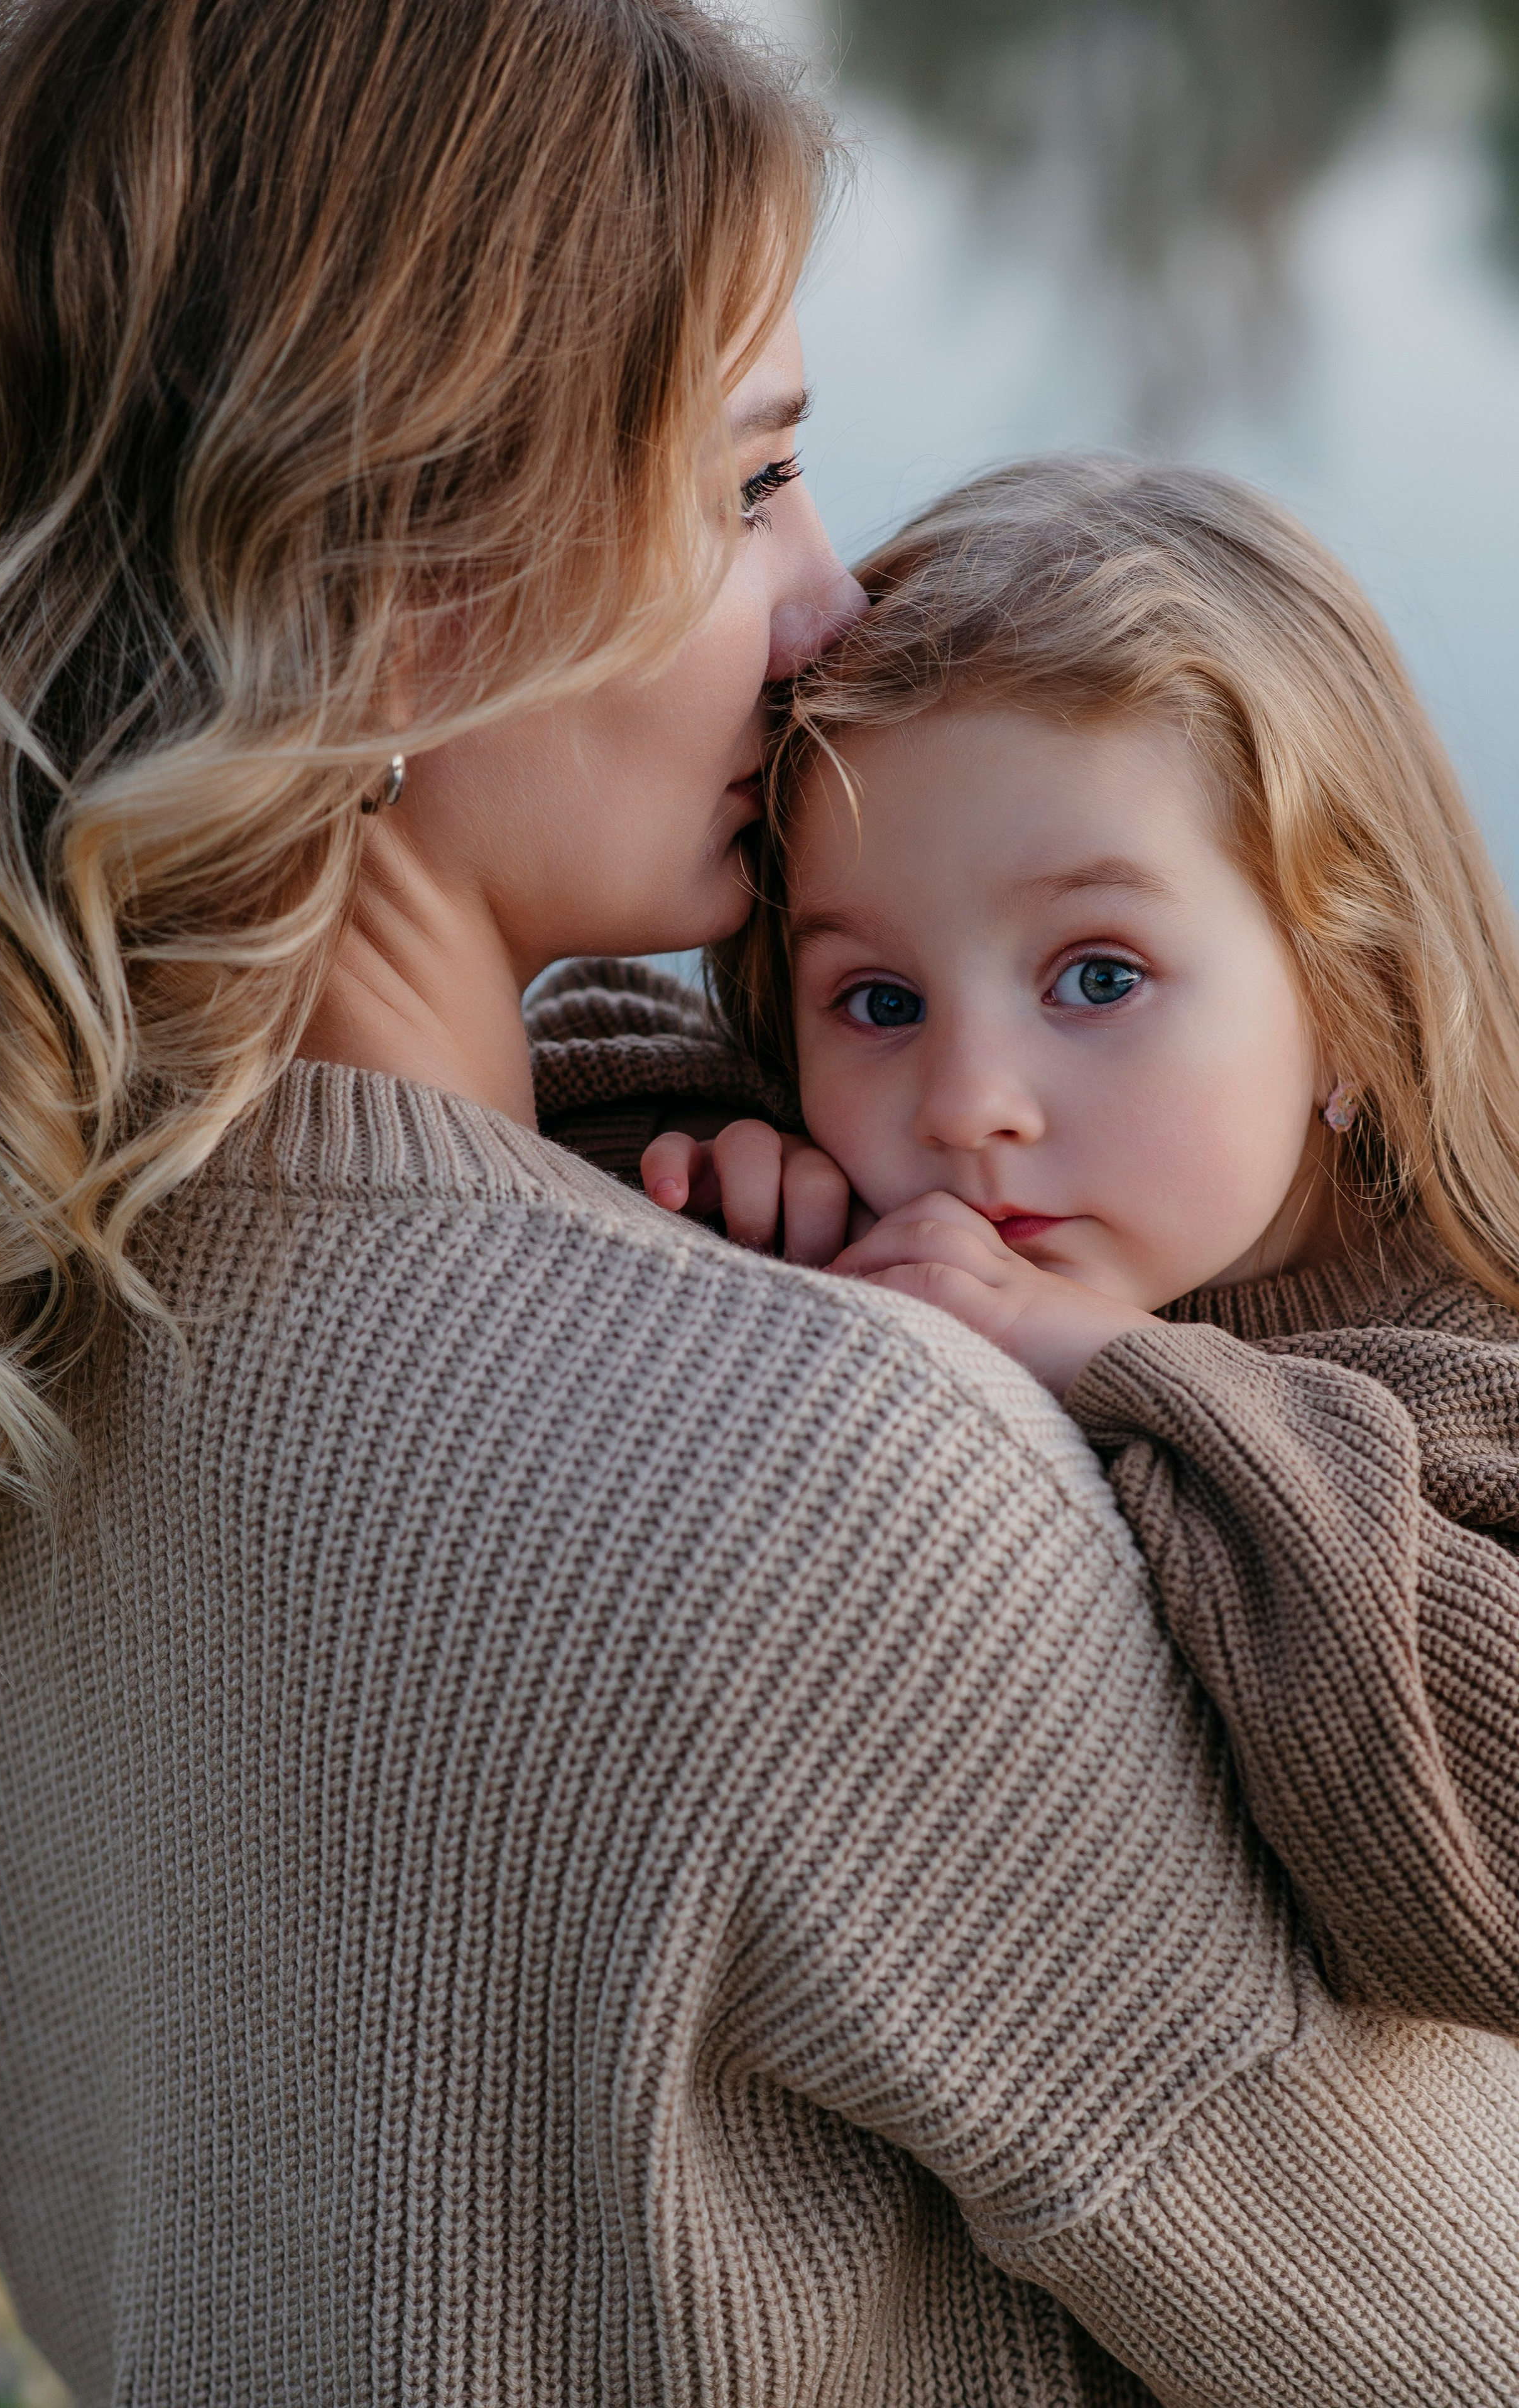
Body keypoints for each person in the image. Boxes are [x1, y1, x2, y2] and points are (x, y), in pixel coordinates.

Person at [0, 0, 1515, 2406]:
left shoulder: (3, 1314)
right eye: (755, 477)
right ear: (403, 559)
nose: (833, 602)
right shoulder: (830, 1485)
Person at [633, 455, 1519, 2034]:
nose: (968, 1104)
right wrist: (727, 1189)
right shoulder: (886, 1204)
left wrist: (1128, 1372)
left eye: (1095, 978)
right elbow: (560, 1085)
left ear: (1349, 996)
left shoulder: (1478, 1357)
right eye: (878, 1001)